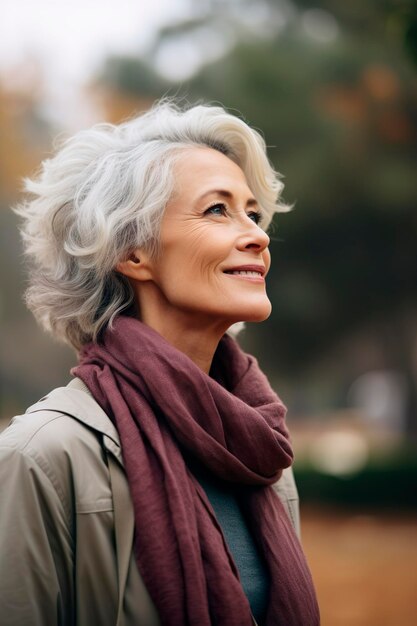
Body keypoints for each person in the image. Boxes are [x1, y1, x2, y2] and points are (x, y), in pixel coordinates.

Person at [0, 101, 320, 626]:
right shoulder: (42, 460)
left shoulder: (262, 450)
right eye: (218, 209)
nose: (259, 235)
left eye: (253, 213)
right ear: (132, 252)